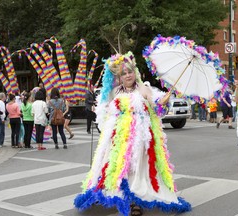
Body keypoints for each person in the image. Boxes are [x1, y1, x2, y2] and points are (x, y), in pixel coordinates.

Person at [74, 52, 191, 216]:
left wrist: (162, 103)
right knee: (117, 168)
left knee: (136, 169)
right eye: (123, 73)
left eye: (130, 72)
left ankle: (136, 201)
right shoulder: (114, 92)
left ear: (134, 73)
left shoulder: (144, 89)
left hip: (140, 136)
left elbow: (157, 109)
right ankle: (116, 195)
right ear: (119, 77)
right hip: (118, 137)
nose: (128, 75)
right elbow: (105, 112)